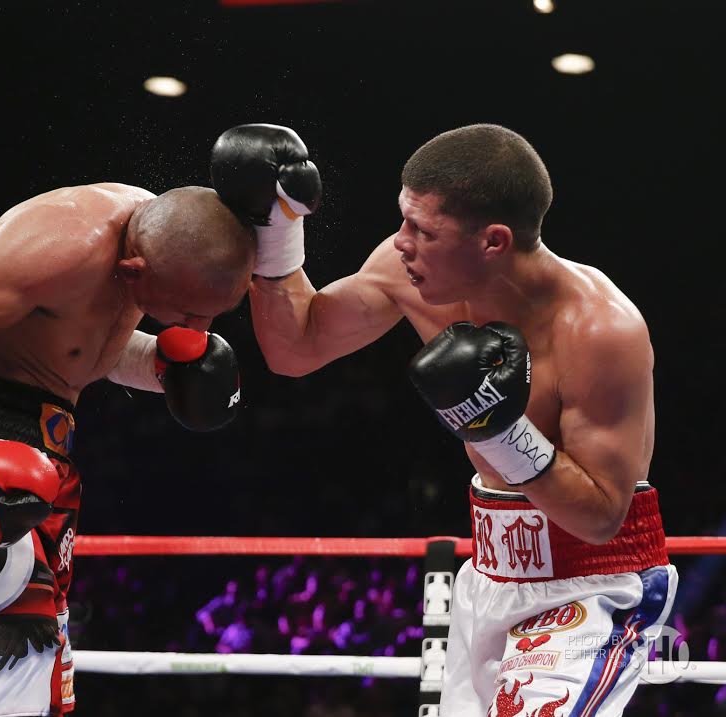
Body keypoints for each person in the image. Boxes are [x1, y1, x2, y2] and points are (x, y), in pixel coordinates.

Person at [211, 123, 676, 715]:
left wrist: (499, 429)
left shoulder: (599, 329)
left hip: (595, 587)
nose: (401, 242)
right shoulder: (405, 269)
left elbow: (602, 517)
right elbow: (295, 348)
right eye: (404, 220)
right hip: (489, 575)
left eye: (424, 231)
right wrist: (275, 231)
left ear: (493, 241)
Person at [0, 182, 254, 716]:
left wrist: (160, 366)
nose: (198, 329)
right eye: (188, 311)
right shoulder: (63, 242)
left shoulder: (158, 237)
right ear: (135, 271)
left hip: (35, 475)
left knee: (33, 696)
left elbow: (74, 343)